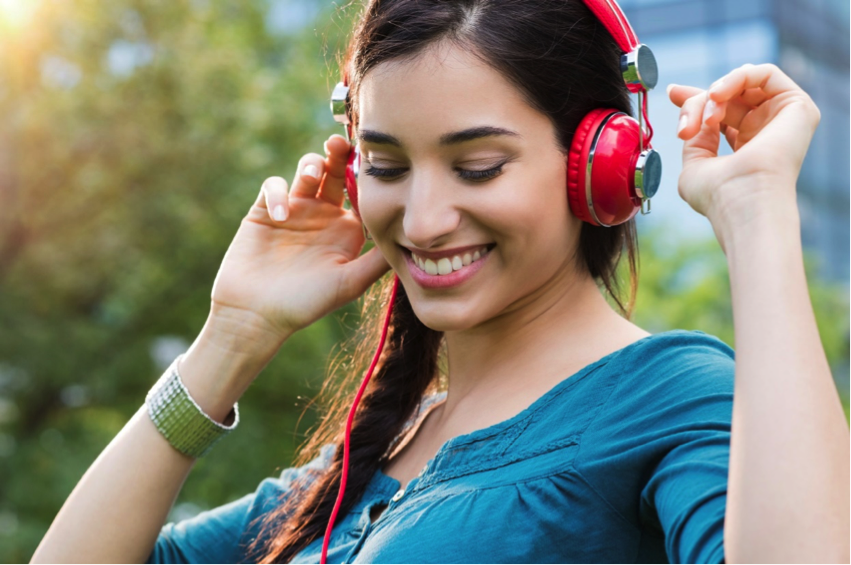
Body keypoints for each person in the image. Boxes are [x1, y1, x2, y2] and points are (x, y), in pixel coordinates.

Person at [31, 1, 850, 564]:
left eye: (477, 165)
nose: (422, 220)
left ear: (599, 165)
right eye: (386, 164)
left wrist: (754, 212)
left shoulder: (669, 394)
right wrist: (232, 337)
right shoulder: (361, 465)